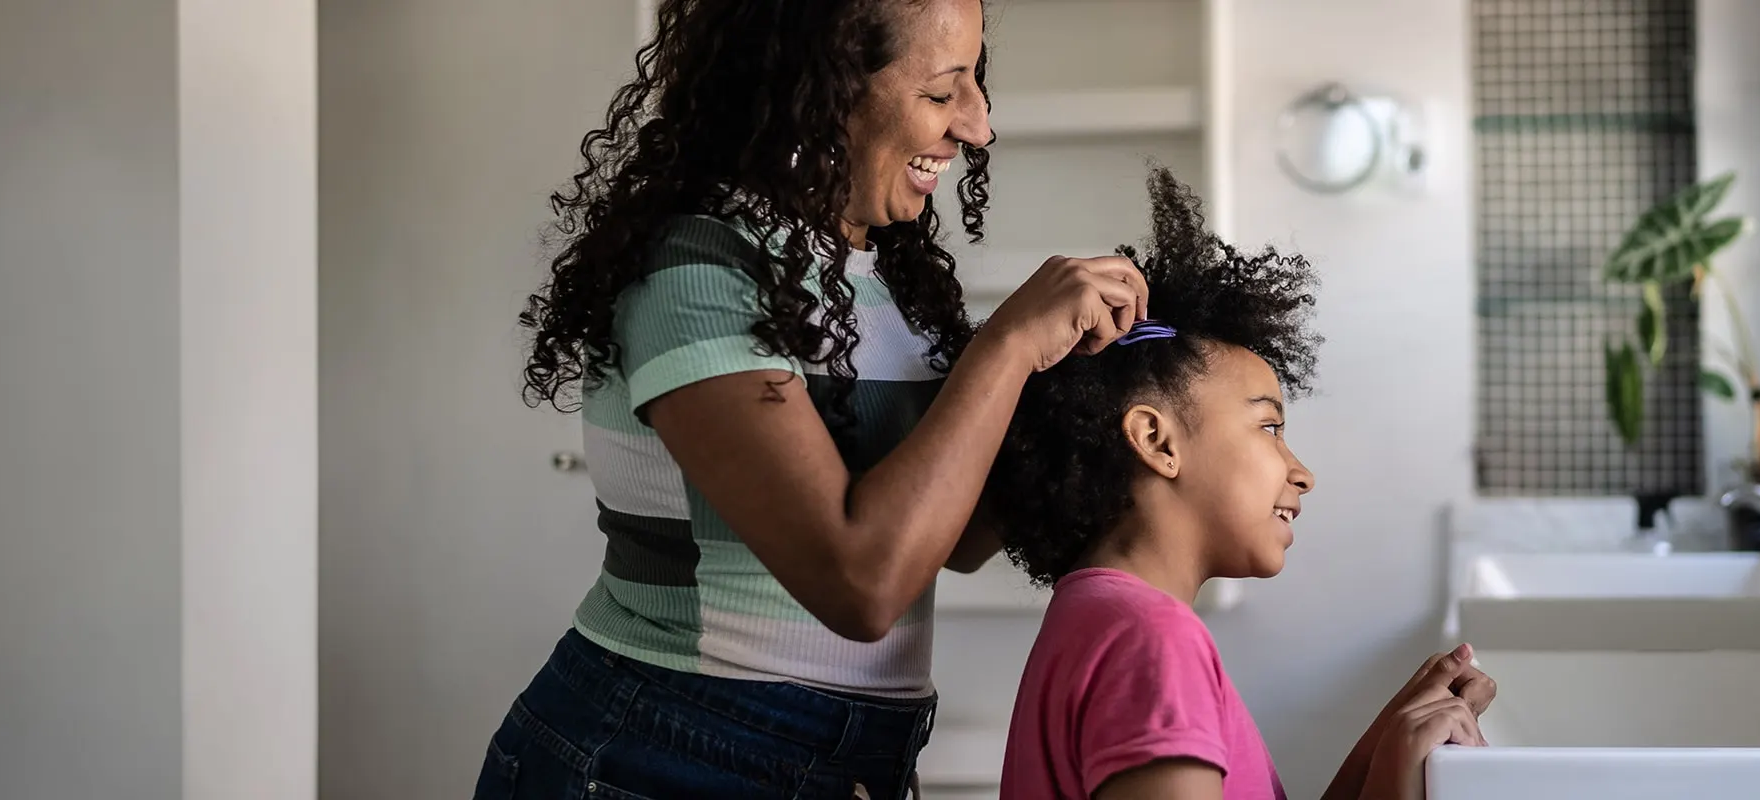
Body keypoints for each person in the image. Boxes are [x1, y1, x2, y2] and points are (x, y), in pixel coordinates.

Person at [478, 1, 1150, 797]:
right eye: (943, 92)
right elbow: (861, 584)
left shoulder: (884, 278)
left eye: (977, 82)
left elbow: (953, 537)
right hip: (667, 753)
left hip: (850, 760)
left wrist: (1074, 376)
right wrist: (1005, 348)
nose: (977, 126)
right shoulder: (696, 274)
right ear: (823, 88)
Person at [988, 168, 1497, 800]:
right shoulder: (1153, 640)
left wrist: (1388, 743)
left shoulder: (1100, 616)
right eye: (1269, 425)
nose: (1301, 471)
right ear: (1157, 442)